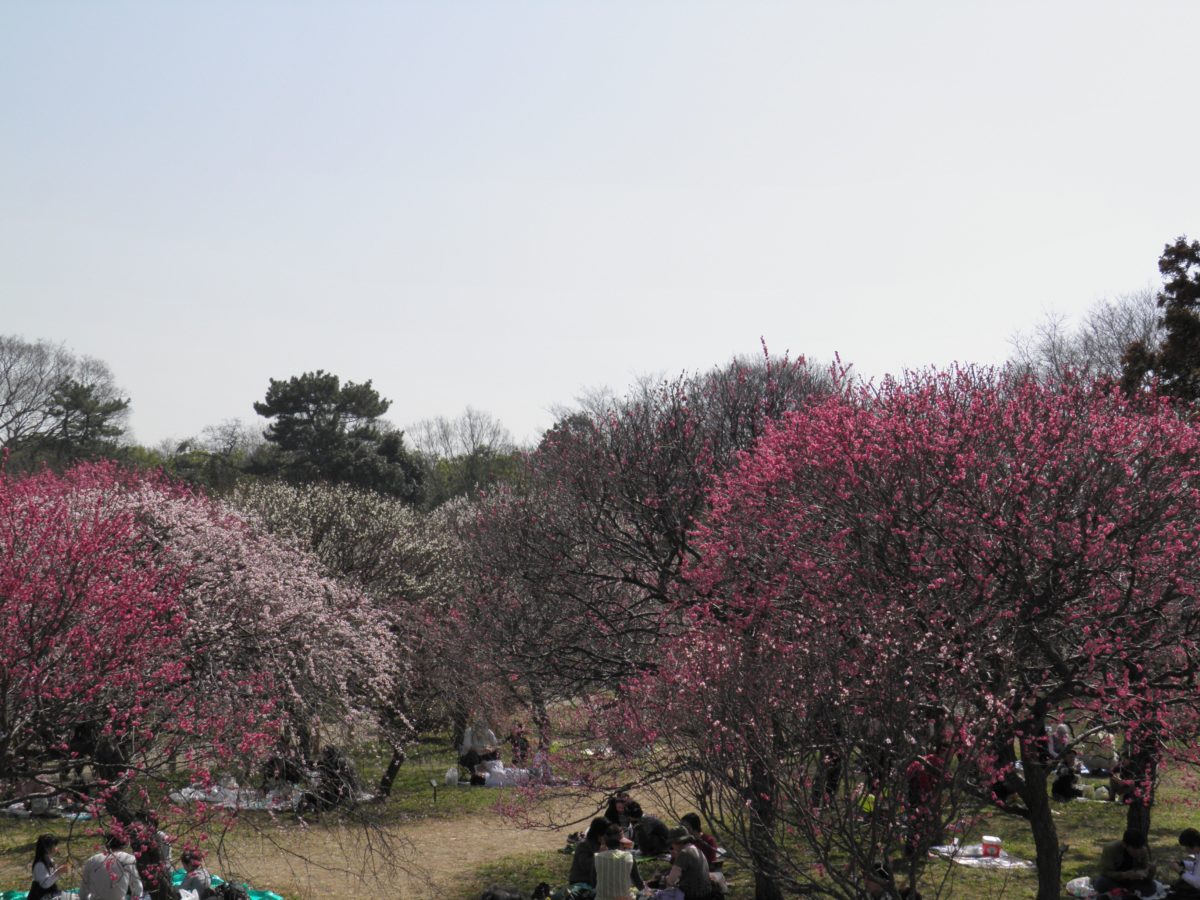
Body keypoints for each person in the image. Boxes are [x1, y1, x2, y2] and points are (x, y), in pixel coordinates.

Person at [1095, 828, 1158, 898]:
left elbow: (1147, 878)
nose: (1138, 851)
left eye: (1139, 848)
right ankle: (1126, 893)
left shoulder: (1143, 851)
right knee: (1100, 883)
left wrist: (1152, 870)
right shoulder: (1111, 849)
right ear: (1125, 844)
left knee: (1152, 886)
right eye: (1134, 848)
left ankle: (1124, 893)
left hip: (1132, 882)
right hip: (1115, 881)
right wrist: (1125, 875)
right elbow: (1105, 872)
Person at [80, 833, 143, 900]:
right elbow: (137, 886)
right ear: (125, 844)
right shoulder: (128, 859)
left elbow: (84, 888)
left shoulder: (92, 860)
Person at [659, 826, 711, 900]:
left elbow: (671, 880)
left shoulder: (684, 853)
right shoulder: (695, 849)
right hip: (706, 891)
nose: (672, 846)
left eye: (672, 843)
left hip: (692, 894)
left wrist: (662, 879)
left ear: (677, 842)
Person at [594, 824, 644, 900]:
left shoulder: (596, 857)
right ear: (621, 842)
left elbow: (592, 881)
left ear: (605, 841)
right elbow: (638, 883)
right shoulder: (629, 857)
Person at [568, 818, 610, 887]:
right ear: (599, 834)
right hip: (581, 882)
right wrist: (599, 854)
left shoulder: (604, 844)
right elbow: (587, 867)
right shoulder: (584, 845)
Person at [29, 833, 71, 900]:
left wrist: (60, 869)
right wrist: (58, 872)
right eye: (55, 846)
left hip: (50, 892)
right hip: (41, 896)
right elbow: (44, 885)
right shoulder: (39, 864)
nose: (57, 848)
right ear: (46, 848)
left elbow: (51, 876)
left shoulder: (49, 859)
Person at [1168, 828, 1200, 898]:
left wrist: (1180, 871)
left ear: (1193, 845)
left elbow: (1197, 883)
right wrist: (1182, 863)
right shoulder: (1198, 852)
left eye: (1186, 847)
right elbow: (1196, 866)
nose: (1185, 849)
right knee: (1180, 883)